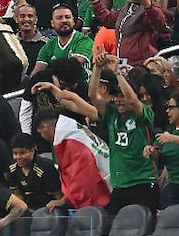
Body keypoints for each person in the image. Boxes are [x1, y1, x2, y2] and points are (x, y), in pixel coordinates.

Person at [52, 50, 159, 212]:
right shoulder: (111, 114)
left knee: (144, 231)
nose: (118, 99)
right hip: (119, 185)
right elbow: (92, 95)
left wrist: (117, 73)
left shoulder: (144, 114)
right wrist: (97, 67)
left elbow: (132, 99)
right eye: (116, 96)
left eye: (122, 96)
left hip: (143, 181)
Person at [5, 133, 65, 211]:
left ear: (32, 150)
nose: (18, 157)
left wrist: (58, 203)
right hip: (28, 207)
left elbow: (58, 196)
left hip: (48, 207)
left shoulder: (46, 167)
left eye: (22, 153)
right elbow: (18, 194)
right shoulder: (12, 169)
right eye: (15, 153)